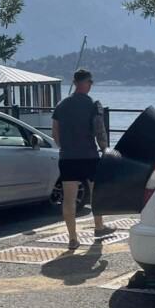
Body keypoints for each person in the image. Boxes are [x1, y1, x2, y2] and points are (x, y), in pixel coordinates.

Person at [51, 69, 115, 249]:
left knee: (69, 199)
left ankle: (72, 238)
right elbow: (99, 131)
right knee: (97, 193)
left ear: (74, 82)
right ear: (86, 83)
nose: (91, 85)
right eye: (91, 82)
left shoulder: (61, 105)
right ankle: (99, 226)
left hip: (68, 158)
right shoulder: (93, 104)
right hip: (89, 156)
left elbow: (55, 132)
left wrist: (64, 147)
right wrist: (105, 150)